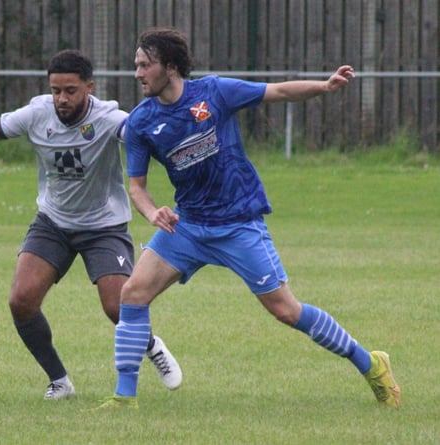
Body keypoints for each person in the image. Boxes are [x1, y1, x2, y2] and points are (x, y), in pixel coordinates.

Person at [97, 28, 401, 409]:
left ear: (170, 67)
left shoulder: (214, 92)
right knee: (133, 293)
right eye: (136, 66)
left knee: (285, 310)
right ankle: (125, 397)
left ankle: (370, 363)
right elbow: (137, 187)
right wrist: (151, 211)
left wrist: (324, 87)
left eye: (145, 65)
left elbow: (278, 92)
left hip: (238, 223)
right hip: (187, 226)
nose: (138, 73)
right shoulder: (141, 122)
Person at [0, 49, 182, 400]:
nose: (62, 98)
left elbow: (143, 136)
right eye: (56, 90)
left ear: (89, 87)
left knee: (117, 308)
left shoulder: (109, 118)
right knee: (21, 301)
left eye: (71, 91)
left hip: (104, 226)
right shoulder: (36, 114)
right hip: (54, 223)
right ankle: (59, 380)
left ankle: (151, 346)